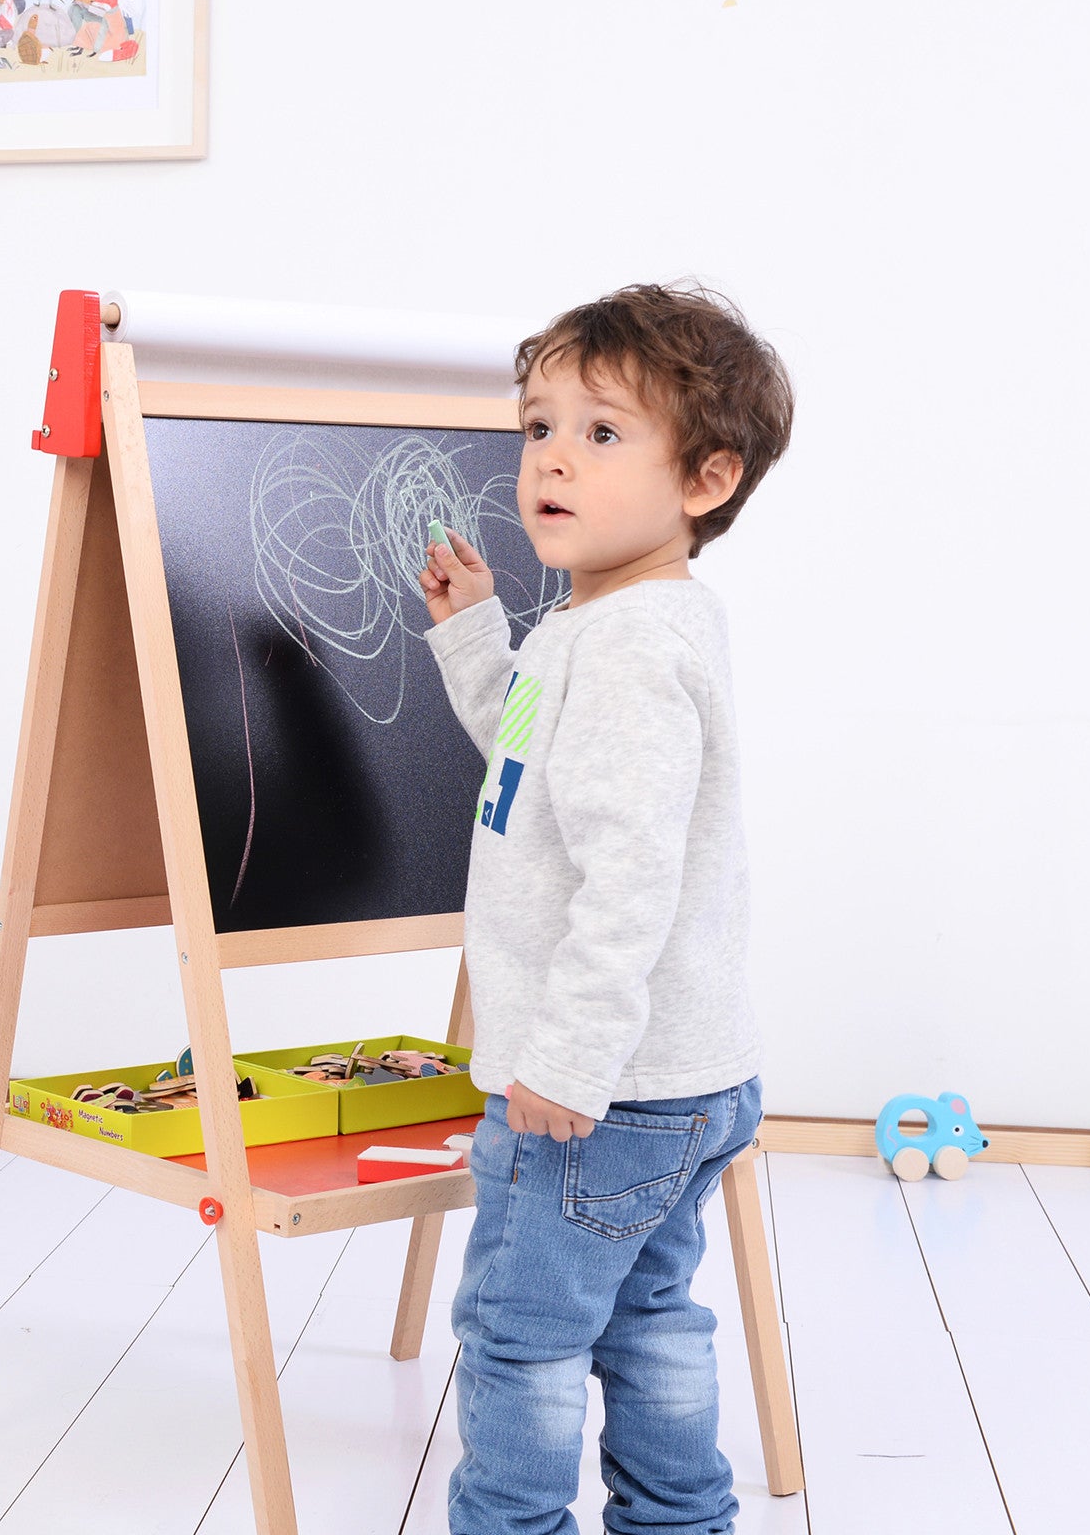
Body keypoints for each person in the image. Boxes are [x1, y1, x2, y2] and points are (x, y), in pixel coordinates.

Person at [419, 281, 795, 1535]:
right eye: (538, 427)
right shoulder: (602, 625)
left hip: (597, 1091)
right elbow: (527, 760)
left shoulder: (627, 649)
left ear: (705, 478)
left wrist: (569, 1058)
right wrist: (476, 636)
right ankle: (681, 1520)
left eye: (600, 432)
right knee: (645, 1316)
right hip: (682, 1077)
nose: (551, 458)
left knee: (518, 1333)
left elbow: (629, 878)